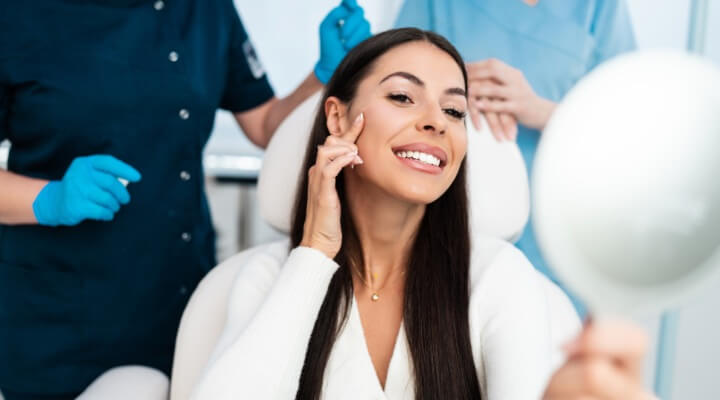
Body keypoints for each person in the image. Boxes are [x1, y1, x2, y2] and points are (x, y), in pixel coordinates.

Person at [190, 28, 654, 400]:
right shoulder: (267, 277)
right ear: (337, 119)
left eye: (454, 110)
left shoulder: (498, 279)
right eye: (402, 97)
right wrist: (314, 254)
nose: (436, 121)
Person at [0, 0, 371, 398]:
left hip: (178, 295)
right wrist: (50, 199)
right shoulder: (17, 15)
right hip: (59, 318)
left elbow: (265, 124)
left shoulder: (205, 10)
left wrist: (325, 75)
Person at [394, 0, 637, 316]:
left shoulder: (598, 8)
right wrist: (446, 89)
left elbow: (631, 134)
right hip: (441, 241)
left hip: (556, 251)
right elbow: (390, 89)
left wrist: (540, 111)